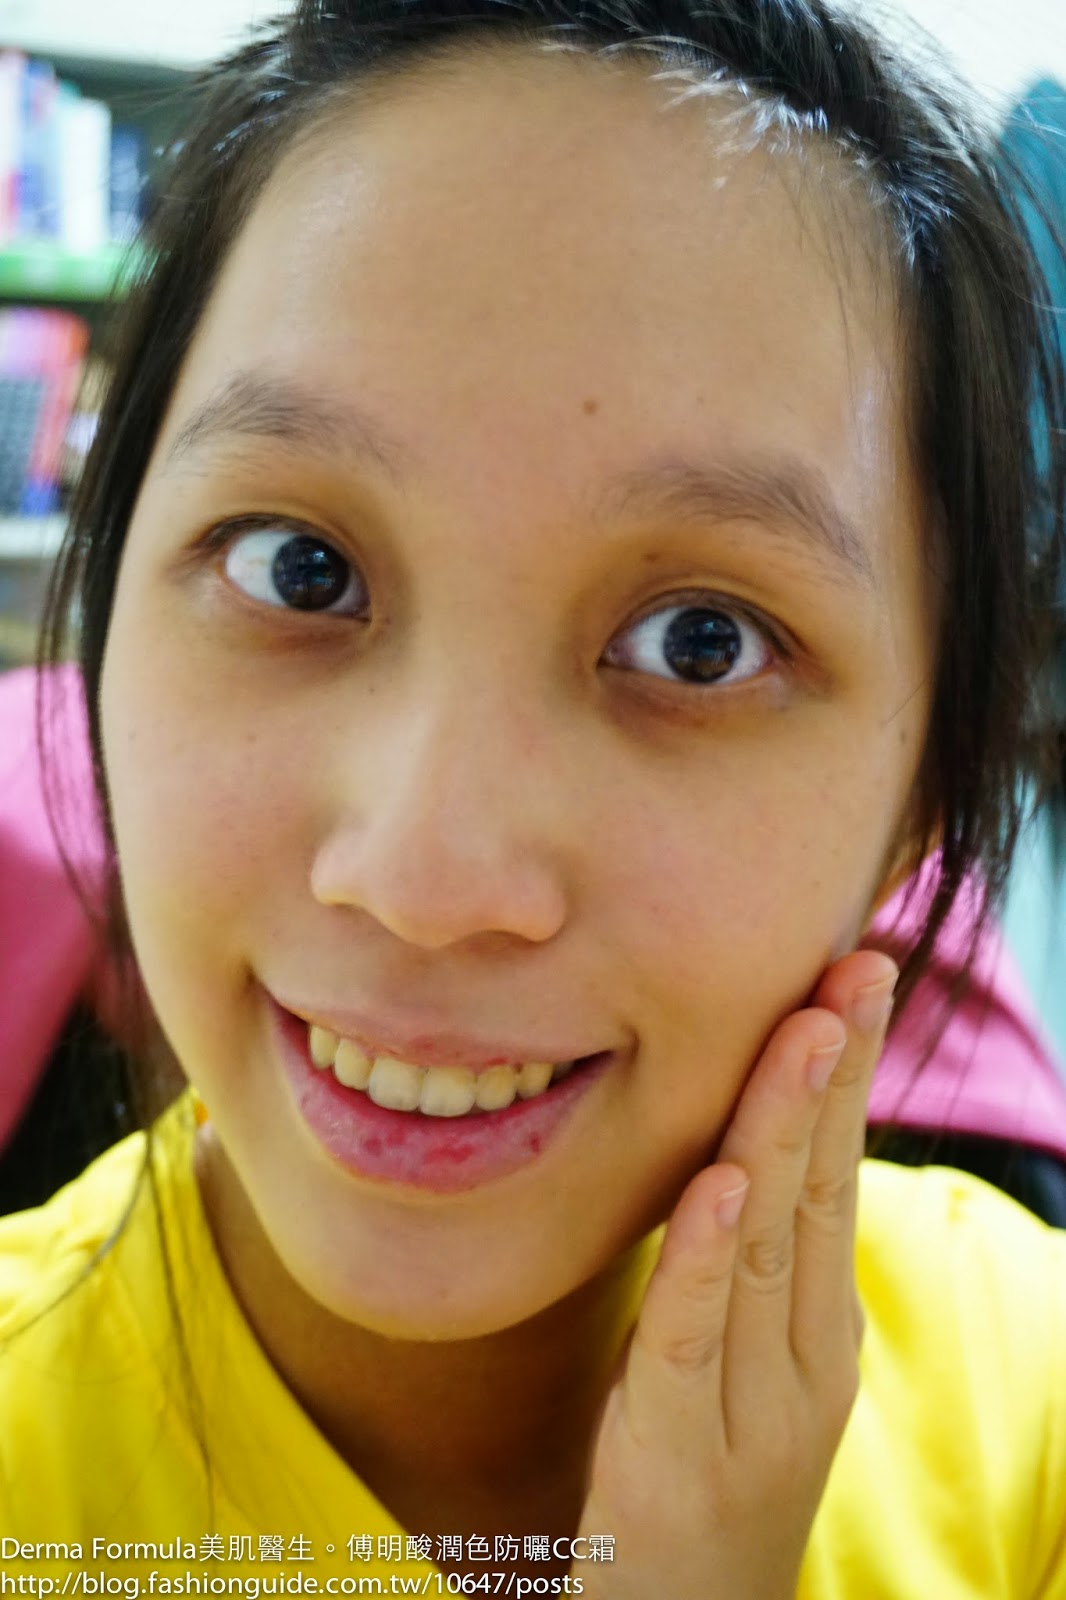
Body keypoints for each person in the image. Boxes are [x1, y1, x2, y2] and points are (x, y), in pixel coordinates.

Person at [2, 0, 1066, 1593]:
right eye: (300, 569)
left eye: (698, 644)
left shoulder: (1026, 1419)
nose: (424, 878)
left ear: (922, 799)